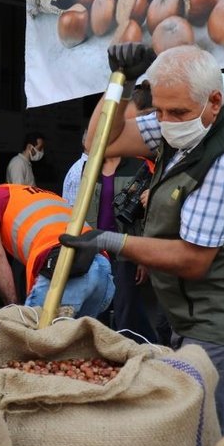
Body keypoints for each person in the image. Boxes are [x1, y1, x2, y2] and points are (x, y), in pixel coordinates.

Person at [61, 43, 224, 434]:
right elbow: (97, 144)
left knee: (205, 431)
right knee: (187, 423)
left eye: (177, 112)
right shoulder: (176, 132)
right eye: (158, 111)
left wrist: (111, 241)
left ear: (215, 101)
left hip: (221, 322)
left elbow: (193, 259)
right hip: (186, 313)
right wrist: (119, 86)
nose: (166, 121)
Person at [0, 183, 115, 317]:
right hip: (101, 265)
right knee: (76, 342)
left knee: (33, 339)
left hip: (65, 266)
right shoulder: (35, 194)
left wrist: (15, 311)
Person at [62, 143, 156, 343]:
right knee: (96, 309)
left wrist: (144, 257)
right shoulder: (88, 168)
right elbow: (74, 208)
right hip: (95, 251)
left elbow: (147, 217)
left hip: (126, 249)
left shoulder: (138, 166)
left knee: (127, 310)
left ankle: (128, 357)